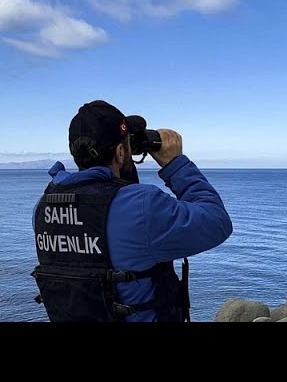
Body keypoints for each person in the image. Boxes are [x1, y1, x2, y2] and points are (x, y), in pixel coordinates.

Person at [31, 100, 233, 322]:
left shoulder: (44, 206)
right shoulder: (141, 206)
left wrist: (122, 171)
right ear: (120, 152)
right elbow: (217, 222)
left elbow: (108, 212)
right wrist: (176, 163)